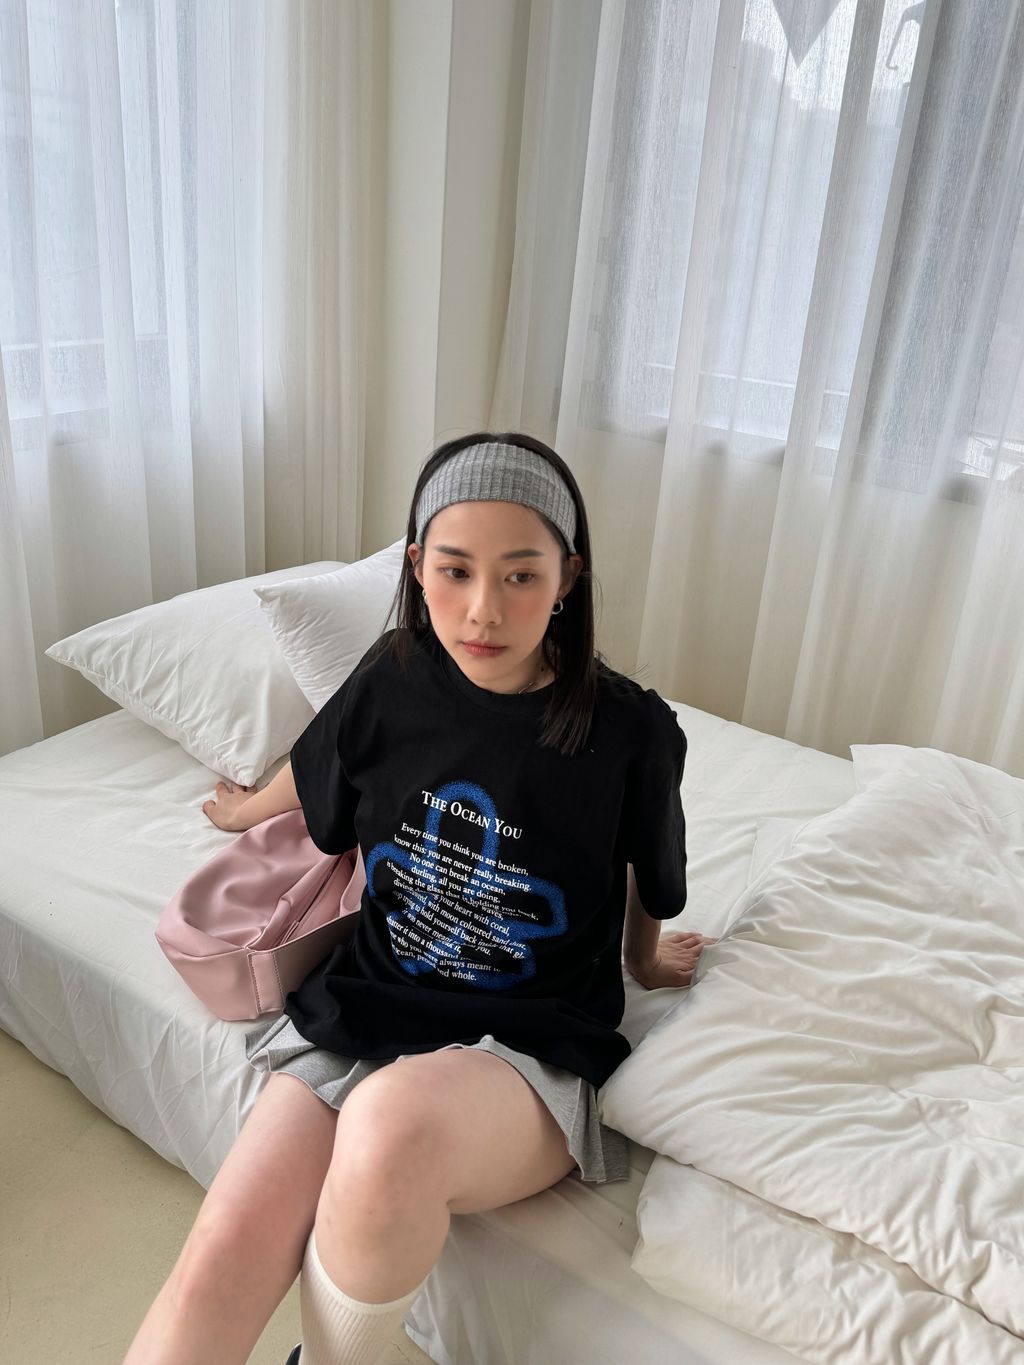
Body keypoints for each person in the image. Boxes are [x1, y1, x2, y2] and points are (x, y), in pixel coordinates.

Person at [123, 432, 713, 1365]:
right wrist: (246, 808)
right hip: (369, 1006)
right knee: (216, 1254)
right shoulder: (392, 676)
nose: (483, 610)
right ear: (415, 565)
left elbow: (653, 868)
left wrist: (643, 960)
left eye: (521, 576)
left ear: (568, 576)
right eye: (455, 570)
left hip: (530, 1045)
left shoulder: (631, 730)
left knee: (390, 1123)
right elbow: (321, 764)